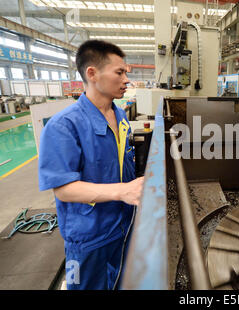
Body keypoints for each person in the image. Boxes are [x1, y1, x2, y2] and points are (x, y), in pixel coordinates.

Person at [38, 40, 144, 290]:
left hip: (123, 226)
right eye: (119, 72)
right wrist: (122, 191)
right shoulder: (64, 126)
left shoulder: (120, 115)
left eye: (126, 72)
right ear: (92, 74)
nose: (126, 79)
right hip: (89, 237)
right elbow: (63, 189)